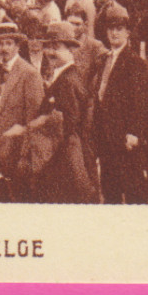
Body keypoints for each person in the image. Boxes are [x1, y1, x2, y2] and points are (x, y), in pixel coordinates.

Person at [0, 21, 46, 202]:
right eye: (0, 44)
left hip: (17, 153)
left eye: (8, 43)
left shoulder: (29, 74)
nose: (4, 48)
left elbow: (35, 121)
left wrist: (25, 158)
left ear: (17, 46)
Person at [92, 3, 148, 204]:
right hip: (106, 138)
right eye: (110, 29)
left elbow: (142, 102)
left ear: (128, 32)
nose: (114, 33)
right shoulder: (104, 60)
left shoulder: (135, 63)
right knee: (110, 190)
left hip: (126, 140)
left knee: (133, 190)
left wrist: (135, 132)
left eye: (119, 29)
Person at [33, 21, 94, 203]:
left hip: (65, 157)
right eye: (48, 47)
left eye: (56, 47)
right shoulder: (61, 76)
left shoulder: (68, 80)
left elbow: (68, 126)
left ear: (70, 50)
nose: (50, 52)